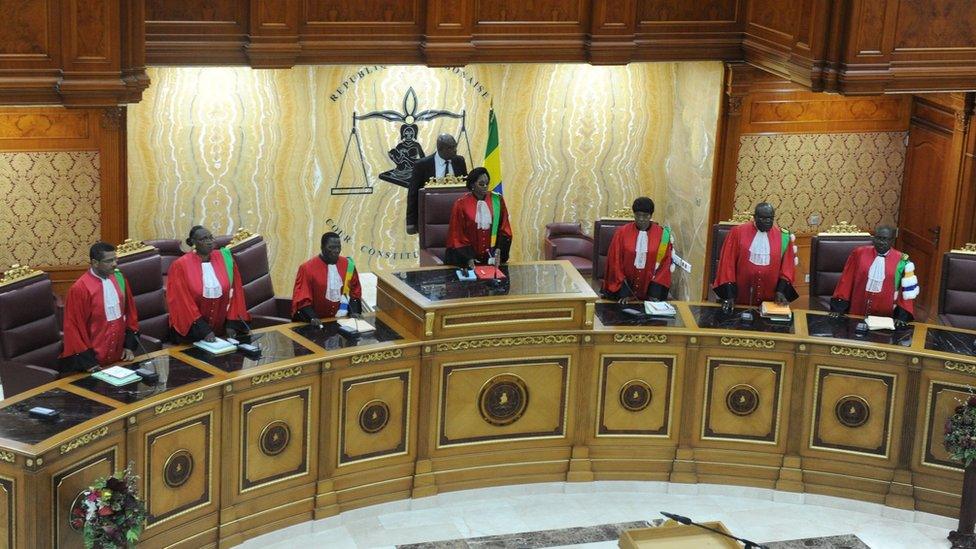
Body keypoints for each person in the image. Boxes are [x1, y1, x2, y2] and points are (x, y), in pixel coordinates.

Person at [60, 242, 141, 372]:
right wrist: (89, 362)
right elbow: (74, 328)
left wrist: (129, 346)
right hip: (93, 363)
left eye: (115, 259)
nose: (114, 264)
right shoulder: (80, 289)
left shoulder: (120, 278)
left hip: (119, 359)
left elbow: (131, 313)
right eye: (109, 261)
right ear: (95, 263)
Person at [166, 225, 251, 342]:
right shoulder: (180, 265)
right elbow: (182, 302)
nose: (209, 242)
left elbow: (236, 292)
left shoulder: (225, 258)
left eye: (211, 238)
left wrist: (232, 323)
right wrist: (203, 331)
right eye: (203, 239)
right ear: (193, 242)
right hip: (192, 333)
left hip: (221, 332)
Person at [712, 202, 798, 313]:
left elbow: (788, 268)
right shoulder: (737, 233)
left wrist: (781, 291)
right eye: (763, 218)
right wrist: (729, 295)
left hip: (771, 300)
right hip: (739, 297)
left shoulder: (784, 237)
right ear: (755, 217)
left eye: (770, 218)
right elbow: (727, 264)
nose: (767, 221)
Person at [829, 225, 918, 326]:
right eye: (878, 238)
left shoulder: (902, 261)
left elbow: (906, 293)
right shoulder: (859, 253)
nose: (880, 242)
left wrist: (902, 316)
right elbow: (846, 281)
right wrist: (838, 308)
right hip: (857, 310)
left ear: (892, 240)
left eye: (885, 239)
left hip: (885, 315)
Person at [601, 197, 674, 302]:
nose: (641, 219)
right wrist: (624, 292)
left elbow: (664, 265)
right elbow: (615, 262)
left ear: (651, 216)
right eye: (638, 215)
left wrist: (654, 294)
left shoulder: (662, 235)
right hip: (623, 291)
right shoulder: (621, 233)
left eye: (645, 216)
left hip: (651, 293)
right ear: (634, 214)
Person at [444, 167, 513, 269]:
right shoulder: (461, 204)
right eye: (481, 184)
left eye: (487, 183)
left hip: (492, 259)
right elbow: (457, 235)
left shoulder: (497, 200)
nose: (485, 187)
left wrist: (500, 249)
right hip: (467, 260)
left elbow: (505, 227)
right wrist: (468, 257)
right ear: (472, 184)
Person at [291, 232, 363, 328]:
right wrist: (312, 318)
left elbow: (354, 292)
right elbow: (303, 298)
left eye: (338, 247)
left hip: (341, 321)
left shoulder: (348, 265)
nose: (336, 251)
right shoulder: (307, 268)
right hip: (316, 322)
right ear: (322, 247)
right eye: (331, 247)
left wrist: (355, 312)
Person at [406, 133, 469, 235]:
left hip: (456, 217)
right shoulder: (422, 165)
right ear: (442, 149)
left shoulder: (459, 161)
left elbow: (465, 189)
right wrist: (410, 222)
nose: (455, 150)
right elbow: (413, 194)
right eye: (452, 148)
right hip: (431, 218)